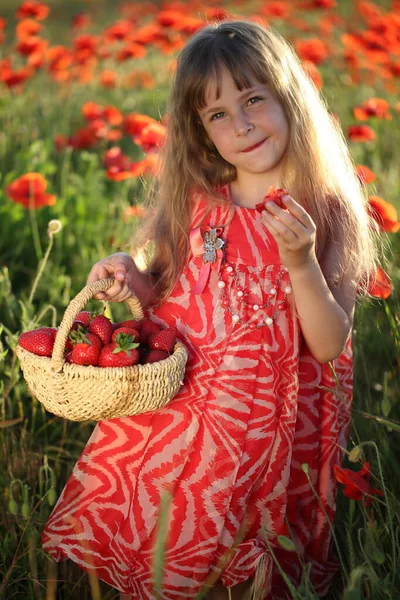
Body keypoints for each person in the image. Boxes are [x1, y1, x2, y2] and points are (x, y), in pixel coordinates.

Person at [41, 19, 383, 600]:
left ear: (290, 97)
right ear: (201, 130)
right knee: (170, 539)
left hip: (264, 434)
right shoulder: (200, 204)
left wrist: (299, 261)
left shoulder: (327, 212)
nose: (242, 124)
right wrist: (131, 277)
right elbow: (167, 295)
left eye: (253, 99)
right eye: (218, 114)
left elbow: (328, 344)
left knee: (240, 559)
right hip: (183, 419)